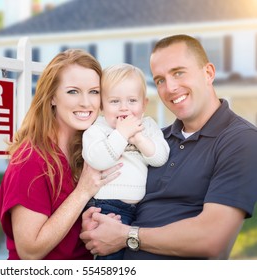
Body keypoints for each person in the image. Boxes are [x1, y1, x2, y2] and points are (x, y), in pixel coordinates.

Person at [80, 34, 257, 259]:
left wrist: (126, 235)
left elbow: (213, 240)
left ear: (208, 73)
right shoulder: (155, 139)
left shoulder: (240, 140)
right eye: (160, 80)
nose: (170, 87)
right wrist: (96, 222)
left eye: (179, 72)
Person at [0, 49, 121, 260]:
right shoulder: (30, 160)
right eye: (73, 91)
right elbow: (29, 250)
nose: (86, 103)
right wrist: (82, 192)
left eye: (94, 91)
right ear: (52, 96)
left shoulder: (92, 151)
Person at [82, 63, 169, 260]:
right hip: (107, 207)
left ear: (144, 104)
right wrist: (121, 134)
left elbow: (160, 157)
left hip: (141, 209)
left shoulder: (147, 126)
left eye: (132, 100)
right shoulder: (98, 129)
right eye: (114, 101)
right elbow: (97, 159)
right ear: (102, 105)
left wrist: (138, 139)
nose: (124, 107)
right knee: (112, 259)